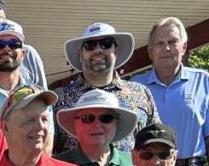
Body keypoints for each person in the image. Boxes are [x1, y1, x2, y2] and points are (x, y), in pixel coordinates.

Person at [133, 17, 209, 166]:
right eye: (159, 43)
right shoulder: (136, 86)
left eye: (172, 42)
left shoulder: (203, 81)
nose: (166, 48)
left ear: (184, 47)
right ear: (150, 52)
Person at [54, 22, 156, 154]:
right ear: (80, 54)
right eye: (90, 45)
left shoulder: (140, 93)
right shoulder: (59, 98)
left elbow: (154, 142)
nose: (98, 50)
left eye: (106, 44)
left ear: (116, 51)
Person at [55, 89, 139, 166]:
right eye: (87, 118)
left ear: (116, 124)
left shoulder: (135, 165)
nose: (97, 125)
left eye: (106, 118)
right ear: (75, 125)